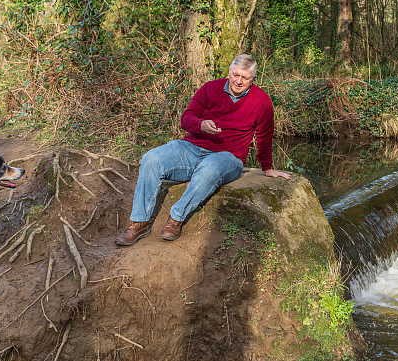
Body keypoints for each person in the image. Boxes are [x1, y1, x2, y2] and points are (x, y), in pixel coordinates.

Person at [116, 54, 291, 245]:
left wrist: (268, 167)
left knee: (209, 169)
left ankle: (176, 218)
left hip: (228, 157)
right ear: (229, 72)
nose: (238, 81)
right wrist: (200, 124)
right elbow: (186, 119)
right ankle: (139, 222)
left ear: (253, 79)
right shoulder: (210, 88)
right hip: (191, 149)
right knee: (151, 158)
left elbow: (265, 135)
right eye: (235, 75)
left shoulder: (262, 101)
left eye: (245, 77)